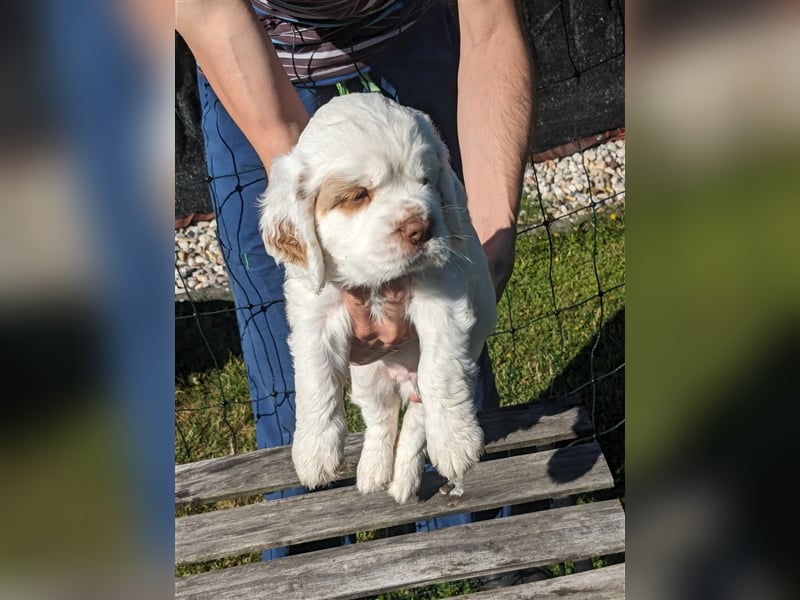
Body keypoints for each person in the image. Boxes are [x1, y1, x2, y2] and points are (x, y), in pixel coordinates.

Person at [176, 0, 533, 558]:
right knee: (288, 390)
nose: (413, 219)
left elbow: (489, 30)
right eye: (362, 196)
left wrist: (485, 231)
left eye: (422, 181)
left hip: (415, 35)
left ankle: (487, 558)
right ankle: (305, 573)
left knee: (448, 372)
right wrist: (314, 221)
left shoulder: (421, 155)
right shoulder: (300, 201)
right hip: (252, 58)